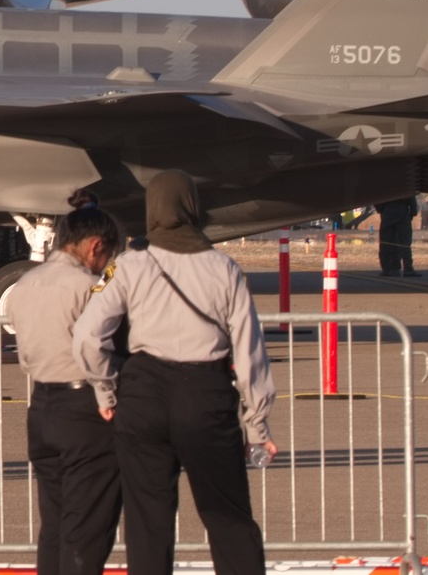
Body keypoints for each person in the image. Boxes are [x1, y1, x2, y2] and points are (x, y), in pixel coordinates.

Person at [74, 171, 275, 575]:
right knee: (228, 516)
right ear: (193, 207)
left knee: (148, 520)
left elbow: (87, 335)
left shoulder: (128, 266)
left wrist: (106, 392)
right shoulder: (225, 268)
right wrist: (258, 426)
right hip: (206, 395)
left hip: (144, 394)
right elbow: (250, 352)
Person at [8, 201, 125, 575]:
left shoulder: (25, 284)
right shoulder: (89, 286)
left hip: (42, 403)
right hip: (84, 408)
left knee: (55, 525)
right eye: (106, 255)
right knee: (88, 526)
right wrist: (108, 393)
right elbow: (97, 345)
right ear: (95, 247)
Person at [375, 197, 418, 278]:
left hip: (387, 211)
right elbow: (411, 196)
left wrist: (381, 210)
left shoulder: (383, 184)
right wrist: (413, 212)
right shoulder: (404, 184)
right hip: (402, 212)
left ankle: (387, 269)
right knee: (405, 243)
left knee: (385, 243)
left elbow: (377, 200)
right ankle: (408, 268)